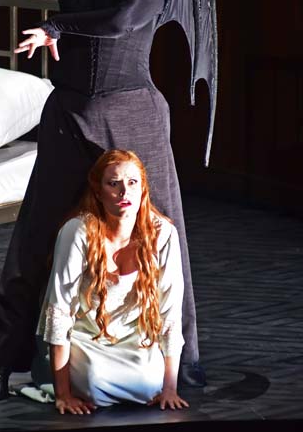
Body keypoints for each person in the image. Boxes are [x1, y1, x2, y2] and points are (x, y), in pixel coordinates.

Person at [0, 0, 206, 400]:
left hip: (135, 114)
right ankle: (3, 363)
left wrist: (57, 26)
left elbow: (122, 21)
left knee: (162, 229)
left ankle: (184, 362)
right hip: (71, 114)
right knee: (35, 235)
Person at [32, 149, 190, 413]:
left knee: (149, 385)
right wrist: (63, 394)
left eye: (132, 183)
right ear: (98, 191)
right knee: (94, 384)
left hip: (134, 338)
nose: (124, 192)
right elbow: (60, 310)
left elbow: (170, 311)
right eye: (113, 183)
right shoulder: (78, 231)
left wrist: (170, 388)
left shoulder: (163, 233)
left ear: (143, 189)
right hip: (86, 336)